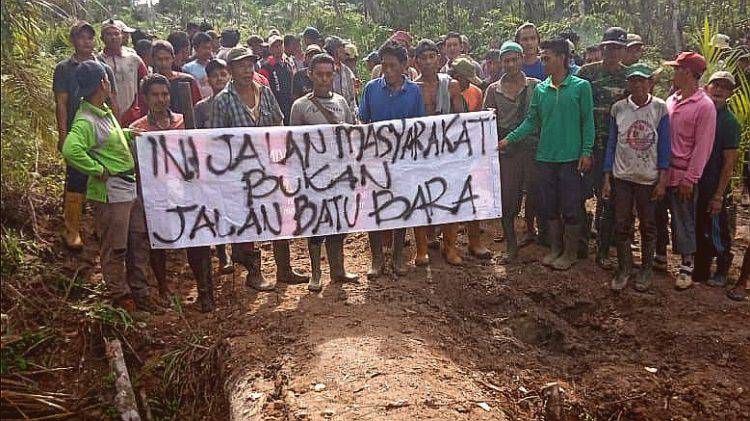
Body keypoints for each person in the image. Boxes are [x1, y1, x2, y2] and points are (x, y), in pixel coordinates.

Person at [209, 46, 308, 291]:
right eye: (240, 65)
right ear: (230, 70)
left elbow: (278, 122)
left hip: (270, 166)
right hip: (239, 172)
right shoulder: (223, 100)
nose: (246, 69)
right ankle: (254, 273)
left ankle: (284, 269)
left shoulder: (264, 92)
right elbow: (217, 140)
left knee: (280, 215)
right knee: (246, 220)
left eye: (250, 64)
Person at [62, 61, 152, 313]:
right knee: (116, 247)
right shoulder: (86, 120)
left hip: (126, 187)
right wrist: (97, 170)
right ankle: (119, 295)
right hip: (111, 193)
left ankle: (140, 292)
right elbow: (71, 149)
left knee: (137, 240)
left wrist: (125, 134)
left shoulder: (102, 111)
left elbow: (107, 139)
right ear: (103, 83)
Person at [499, 38, 595, 271]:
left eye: (546, 58)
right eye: (542, 58)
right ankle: (555, 248)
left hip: (571, 158)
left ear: (562, 58)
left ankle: (570, 252)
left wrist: (586, 151)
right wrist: (508, 139)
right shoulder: (541, 89)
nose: (543, 62)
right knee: (549, 205)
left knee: (571, 205)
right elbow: (531, 122)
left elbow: (587, 122)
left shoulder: (581, 87)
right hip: (545, 157)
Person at [289, 53, 360, 292]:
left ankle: (338, 269)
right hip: (313, 176)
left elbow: (352, 135)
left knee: (340, 222)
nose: (324, 79)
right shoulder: (300, 107)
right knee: (316, 224)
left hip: (340, 173)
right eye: (319, 74)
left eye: (328, 74)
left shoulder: (341, 102)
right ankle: (316, 274)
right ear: (309, 74)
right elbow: (294, 143)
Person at [359, 41, 426, 277]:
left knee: (401, 205)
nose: (388, 71)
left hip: (403, 160)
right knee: (374, 209)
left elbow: (420, 126)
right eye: (384, 65)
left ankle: (398, 256)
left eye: (393, 66)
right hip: (376, 160)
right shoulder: (371, 89)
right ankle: (377, 258)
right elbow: (362, 122)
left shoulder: (414, 91)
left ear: (404, 66)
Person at [602, 64, 670, 291]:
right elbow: (611, 144)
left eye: (642, 80)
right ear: (628, 84)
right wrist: (607, 177)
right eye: (633, 81)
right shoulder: (619, 109)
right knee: (622, 224)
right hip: (622, 176)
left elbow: (664, 146)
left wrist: (662, 179)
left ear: (650, 82)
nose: (637, 85)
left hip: (648, 179)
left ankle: (646, 269)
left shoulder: (660, 108)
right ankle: (624, 268)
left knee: (648, 226)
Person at [54, 21, 117, 250]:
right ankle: (71, 229)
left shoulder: (104, 68)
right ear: (73, 40)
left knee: (103, 178)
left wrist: (116, 131)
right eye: (81, 37)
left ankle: (101, 226)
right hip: (77, 132)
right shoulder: (64, 68)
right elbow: (61, 103)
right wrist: (63, 135)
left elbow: (112, 101)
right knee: (77, 178)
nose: (86, 42)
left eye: (90, 38)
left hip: (101, 132)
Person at [128, 74, 188, 307]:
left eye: (165, 94)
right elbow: (135, 163)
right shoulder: (137, 130)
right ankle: (163, 287)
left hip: (182, 189)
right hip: (153, 193)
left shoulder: (183, 121)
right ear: (145, 98)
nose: (161, 99)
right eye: (155, 95)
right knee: (157, 239)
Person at [663, 52, 716, 290]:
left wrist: (690, 178)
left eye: (677, 69)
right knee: (658, 215)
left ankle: (686, 264)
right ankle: (660, 256)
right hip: (665, 170)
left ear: (687, 73)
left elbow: (702, 146)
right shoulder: (672, 99)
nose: (674, 73)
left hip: (684, 172)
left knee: (683, 218)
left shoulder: (704, 106)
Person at [484, 41, 541, 262]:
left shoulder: (536, 86)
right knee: (509, 198)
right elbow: (486, 121)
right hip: (506, 149)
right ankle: (511, 245)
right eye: (506, 60)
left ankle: (532, 231)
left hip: (532, 147)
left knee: (535, 193)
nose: (510, 64)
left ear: (521, 59)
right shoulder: (492, 89)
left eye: (514, 59)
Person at [578, 27, 629, 267]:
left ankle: (603, 250)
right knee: (578, 195)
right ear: (601, 48)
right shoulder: (586, 73)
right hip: (586, 146)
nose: (611, 52)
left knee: (607, 200)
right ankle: (578, 244)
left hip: (615, 149)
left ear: (624, 50)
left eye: (617, 48)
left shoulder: (630, 78)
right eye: (608, 47)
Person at [695, 72, 740, 287]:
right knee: (698, 225)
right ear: (707, 87)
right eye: (716, 85)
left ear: (731, 93)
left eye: (725, 88)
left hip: (715, 184)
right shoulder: (701, 113)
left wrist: (719, 195)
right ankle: (701, 267)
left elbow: (729, 162)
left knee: (716, 226)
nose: (720, 90)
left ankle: (723, 266)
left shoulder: (728, 122)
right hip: (697, 181)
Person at [99, 19, 148, 124]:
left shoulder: (134, 59)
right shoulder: (97, 61)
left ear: (122, 36)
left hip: (132, 114)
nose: (113, 37)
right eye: (108, 34)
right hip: (106, 114)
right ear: (102, 38)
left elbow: (145, 86)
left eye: (116, 34)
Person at [150, 40, 201, 114]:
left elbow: (197, 107)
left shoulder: (187, 80)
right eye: (159, 59)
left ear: (173, 58)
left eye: (167, 59)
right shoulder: (149, 83)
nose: (163, 63)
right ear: (153, 60)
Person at [258, 35, 294, 125]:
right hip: (274, 107)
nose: (278, 48)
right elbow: (263, 89)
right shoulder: (266, 67)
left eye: (280, 45)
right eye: (275, 46)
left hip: (289, 104)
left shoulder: (288, 64)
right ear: (270, 49)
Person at [323, 36, 358, 113]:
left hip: (345, 116)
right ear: (335, 50)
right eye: (342, 47)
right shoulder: (323, 70)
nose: (344, 50)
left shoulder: (347, 71)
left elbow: (352, 98)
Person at [195, 58, 230, 129]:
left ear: (229, 77)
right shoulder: (201, 107)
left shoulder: (238, 101)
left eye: (223, 75)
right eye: (214, 76)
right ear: (208, 81)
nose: (219, 78)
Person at [182, 32, 215, 99]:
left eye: (209, 48)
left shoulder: (215, 66)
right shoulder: (187, 68)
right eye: (204, 48)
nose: (207, 51)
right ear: (196, 48)